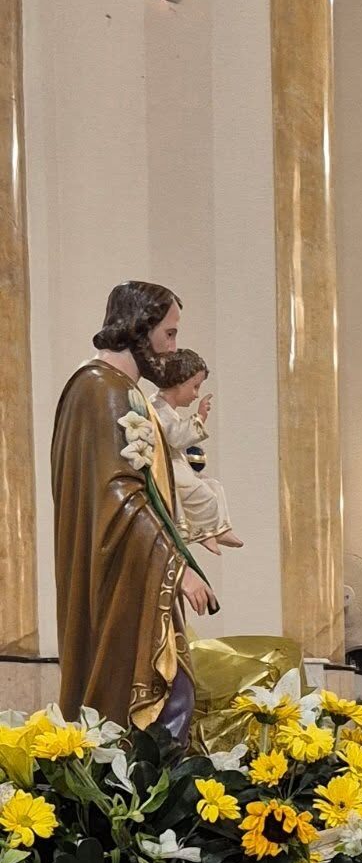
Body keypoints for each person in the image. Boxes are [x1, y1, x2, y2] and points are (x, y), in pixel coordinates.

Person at [51, 281, 214, 738]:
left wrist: (193, 531)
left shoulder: (119, 389)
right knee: (163, 702)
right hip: (117, 581)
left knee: (175, 699)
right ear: (139, 331)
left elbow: (148, 488)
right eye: (169, 335)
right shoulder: (100, 390)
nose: (172, 349)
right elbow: (116, 497)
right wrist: (176, 565)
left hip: (135, 574)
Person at [149, 350, 243, 554]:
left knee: (214, 486)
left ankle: (219, 530)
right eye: (195, 386)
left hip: (178, 464)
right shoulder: (157, 409)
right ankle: (203, 533)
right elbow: (176, 437)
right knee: (205, 495)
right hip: (168, 469)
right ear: (179, 383)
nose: (196, 394)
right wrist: (199, 418)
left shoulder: (167, 409)